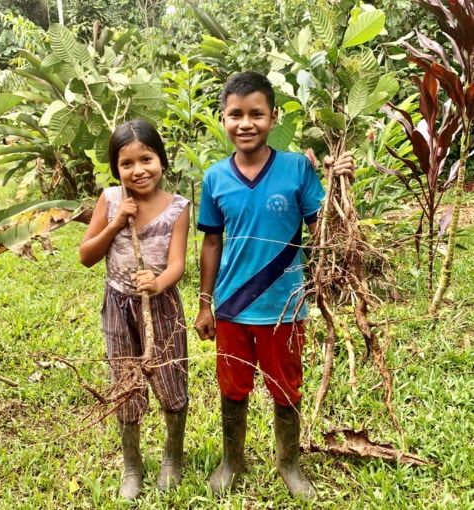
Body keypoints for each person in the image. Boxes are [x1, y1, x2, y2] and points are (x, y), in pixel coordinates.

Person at [194, 71, 353, 501]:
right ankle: (233, 460)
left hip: (284, 306)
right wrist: (205, 304)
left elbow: (325, 232)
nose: (246, 123)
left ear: (272, 117)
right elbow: (212, 242)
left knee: (286, 386)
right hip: (230, 307)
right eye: (236, 114)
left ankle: (289, 463)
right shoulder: (215, 178)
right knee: (232, 387)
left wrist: (340, 185)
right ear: (223, 119)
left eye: (256, 114)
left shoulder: (297, 168)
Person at [79, 119, 190, 499]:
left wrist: (158, 282)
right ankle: (132, 464)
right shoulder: (110, 200)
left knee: (171, 380)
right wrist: (115, 223)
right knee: (125, 383)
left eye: (147, 159)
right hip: (118, 307)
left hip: (162, 308)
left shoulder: (177, 207)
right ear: (116, 169)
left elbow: (178, 263)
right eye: (127, 164)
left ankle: (172, 457)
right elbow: (86, 255)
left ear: (161, 159)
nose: (139, 170)